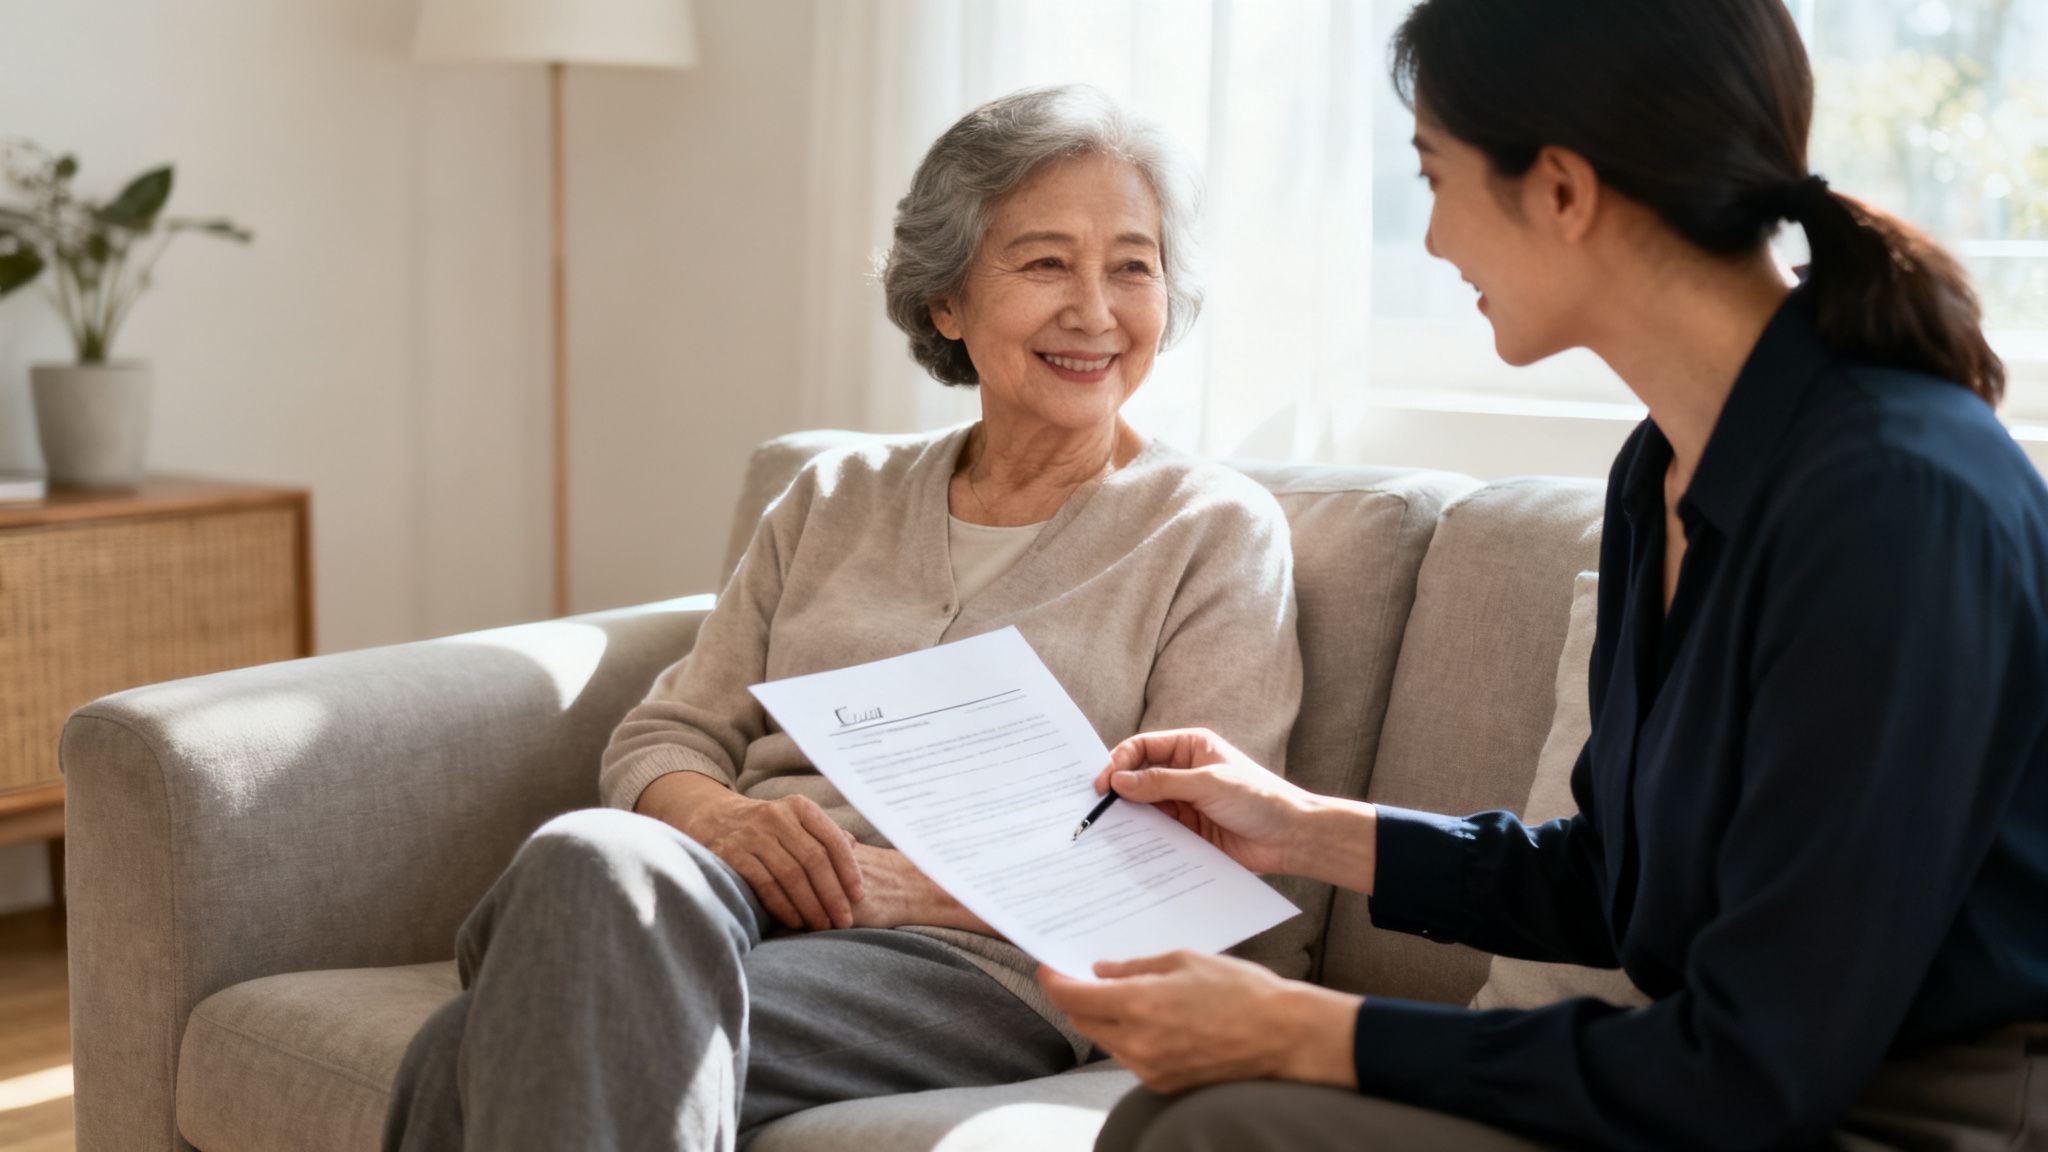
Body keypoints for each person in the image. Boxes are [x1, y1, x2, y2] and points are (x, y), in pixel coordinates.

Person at [1037, 2, 2048, 1148]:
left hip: (1903, 1115)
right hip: (1726, 1085)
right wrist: (1299, 826)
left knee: (1212, 1128)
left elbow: (1760, 1066)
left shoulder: (1893, 501)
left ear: (1561, 191)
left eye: (1432, 176)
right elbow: (1614, 883)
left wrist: (1302, 1028)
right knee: (1183, 1113)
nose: (1427, 242)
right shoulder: (1661, 467)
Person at [380, 84, 1305, 1151]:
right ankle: (579, 938)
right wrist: (727, 825)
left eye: (1131, 266)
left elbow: (1199, 857)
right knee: (591, 855)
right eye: (1045, 262)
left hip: (976, 972)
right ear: (945, 301)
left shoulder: (1208, 531)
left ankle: (562, 951)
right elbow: (665, 736)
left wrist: (892, 886)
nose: (1095, 311)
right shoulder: (836, 497)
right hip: (720, 906)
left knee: (466, 1047)